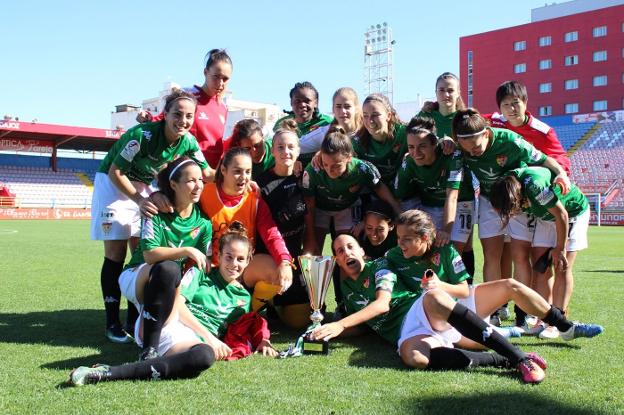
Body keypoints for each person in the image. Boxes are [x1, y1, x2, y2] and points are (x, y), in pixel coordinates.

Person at [311, 234, 550, 383]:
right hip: (410, 332)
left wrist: (340, 323)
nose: (347, 253)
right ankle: (502, 359)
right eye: (340, 251)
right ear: (337, 261)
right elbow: (365, 326)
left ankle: (520, 359)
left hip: (419, 310)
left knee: (435, 297)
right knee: (415, 358)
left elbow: (382, 304)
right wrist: (325, 331)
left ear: (362, 251)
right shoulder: (347, 289)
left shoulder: (380, 267)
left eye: (351, 246)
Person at [69, 220, 276, 386]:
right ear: (219, 256)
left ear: (248, 261)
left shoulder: (244, 299)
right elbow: (177, 306)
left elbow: (242, 329)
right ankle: (110, 373)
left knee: (203, 357)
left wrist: (262, 341)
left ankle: (114, 370)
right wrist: (210, 338)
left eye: (240, 259)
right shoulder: (200, 274)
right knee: (206, 348)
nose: (234, 264)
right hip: (165, 324)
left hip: (189, 342)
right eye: (229, 257)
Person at [91, 90, 212, 343]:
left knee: (142, 251)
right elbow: (116, 172)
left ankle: (133, 318)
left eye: (189, 116)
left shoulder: (188, 141)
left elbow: (207, 172)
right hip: (113, 184)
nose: (183, 120)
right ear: (165, 114)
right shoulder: (142, 135)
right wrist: (141, 200)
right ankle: (112, 322)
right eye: (177, 114)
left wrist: (240, 175)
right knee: (115, 252)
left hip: (143, 186)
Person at [451, 109, 570, 301]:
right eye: (467, 149)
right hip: (489, 200)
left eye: (476, 146)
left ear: (486, 133)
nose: (472, 152)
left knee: (520, 256)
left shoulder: (510, 141)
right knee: (491, 255)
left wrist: (561, 174)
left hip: (518, 202)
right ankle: (495, 307)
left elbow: (543, 159)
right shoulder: (460, 148)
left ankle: (524, 310)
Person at [485, 80, 572, 329]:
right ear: (499, 108)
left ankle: (545, 314)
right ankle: (520, 312)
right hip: (515, 200)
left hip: (539, 196)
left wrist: (560, 174)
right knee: (517, 254)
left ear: (525, 103)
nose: (512, 109)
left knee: (542, 261)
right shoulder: (495, 122)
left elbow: (560, 158)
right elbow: (468, 119)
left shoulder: (543, 131)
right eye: (506, 105)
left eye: (516, 103)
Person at [490, 167, 596, 338]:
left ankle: (559, 321)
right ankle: (546, 319)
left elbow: (561, 214)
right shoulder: (505, 184)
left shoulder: (535, 187)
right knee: (541, 268)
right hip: (547, 217)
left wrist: (559, 248)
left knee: (561, 266)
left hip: (570, 213)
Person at [199, 146, 294, 312]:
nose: (243, 178)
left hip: (241, 270)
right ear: (223, 169)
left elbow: (271, 233)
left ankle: (251, 311)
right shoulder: (203, 194)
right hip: (210, 269)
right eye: (237, 171)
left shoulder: (254, 198)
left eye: (248, 172)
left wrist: (284, 261)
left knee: (274, 269)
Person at [301, 127, 401, 256]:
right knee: (312, 247)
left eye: (336, 166)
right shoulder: (313, 170)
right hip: (319, 208)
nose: (330, 170)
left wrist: (396, 209)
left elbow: (379, 187)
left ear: (349, 157)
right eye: (326, 164)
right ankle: (310, 276)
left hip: (346, 208)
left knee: (347, 250)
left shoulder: (362, 168)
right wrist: (310, 237)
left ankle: (346, 276)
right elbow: (309, 204)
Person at [394, 116, 474, 261]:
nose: (416, 153)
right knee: (431, 252)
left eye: (422, 146)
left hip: (461, 202)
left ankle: (463, 283)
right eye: (411, 147)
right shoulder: (409, 162)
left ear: (435, 144)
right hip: (430, 204)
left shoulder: (452, 156)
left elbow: (452, 197)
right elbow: (399, 196)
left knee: (453, 252)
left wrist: (445, 231)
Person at [255, 120, 311, 328]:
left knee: (300, 321)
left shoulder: (304, 178)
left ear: (298, 150)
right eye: (280, 147)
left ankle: (278, 305)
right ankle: (267, 300)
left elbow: (310, 218)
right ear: (272, 151)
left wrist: (309, 254)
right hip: (269, 259)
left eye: (290, 147)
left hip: (295, 258)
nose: (285, 151)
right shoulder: (260, 183)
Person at [138, 49, 233, 168]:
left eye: (225, 79)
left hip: (211, 176)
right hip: (186, 175)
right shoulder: (187, 96)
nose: (220, 83)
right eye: (216, 77)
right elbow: (163, 120)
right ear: (205, 72)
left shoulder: (223, 107)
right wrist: (146, 117)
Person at [353, 93, 407, 187]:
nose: (370, 120)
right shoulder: (358, 141)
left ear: (388, 116)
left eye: (375, 115)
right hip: (375, 192)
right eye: (365, 115)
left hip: (406, 192)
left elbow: (428, 138)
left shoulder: (405, 133)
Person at [273, 81, 333, 165]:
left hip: (317, 170)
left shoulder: (326, 123)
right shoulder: (281, 124)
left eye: (307, 101)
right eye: (297, 101)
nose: (302, 105)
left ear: (316, 103)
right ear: (291, 102)